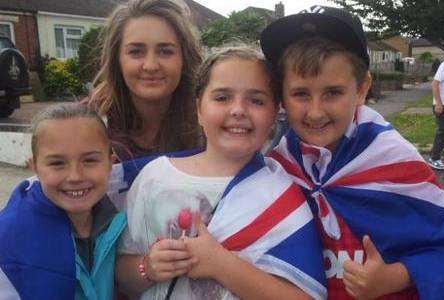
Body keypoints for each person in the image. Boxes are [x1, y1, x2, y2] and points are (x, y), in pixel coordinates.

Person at [260, 5, 444, 300]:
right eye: (300, 94)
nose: (315, 112)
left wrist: (396, 276)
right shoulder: (274, 170)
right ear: (281, 95)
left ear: (362, 89)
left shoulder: (396, 162)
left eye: (333, 93)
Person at [115, 47, 327, 300]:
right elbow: (119, 275)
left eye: (256, 100)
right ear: (199, 109)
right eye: (222, 98)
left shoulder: (283, 196)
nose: (238, 110)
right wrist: (147, 267)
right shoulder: (154, 177)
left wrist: (220, 264)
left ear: (274, 115)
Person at [0, 103, 126, 299]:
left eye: (90, 160)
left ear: (111, 163)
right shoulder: (8, 241)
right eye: (57, 163)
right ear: (35, 167)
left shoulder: (122, 221)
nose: (75, 176)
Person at [87, 0, 202, 161]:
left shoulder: (209, 124)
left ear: (185, 58)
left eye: (166, 51)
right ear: (116, 59)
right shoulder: (85, 122)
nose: (151, 66)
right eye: (136, 52)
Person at [429, 58, 444, 170]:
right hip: (442, 105)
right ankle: (434, 158)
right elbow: (435, 84)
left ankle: (434, 155)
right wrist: (438, 103)